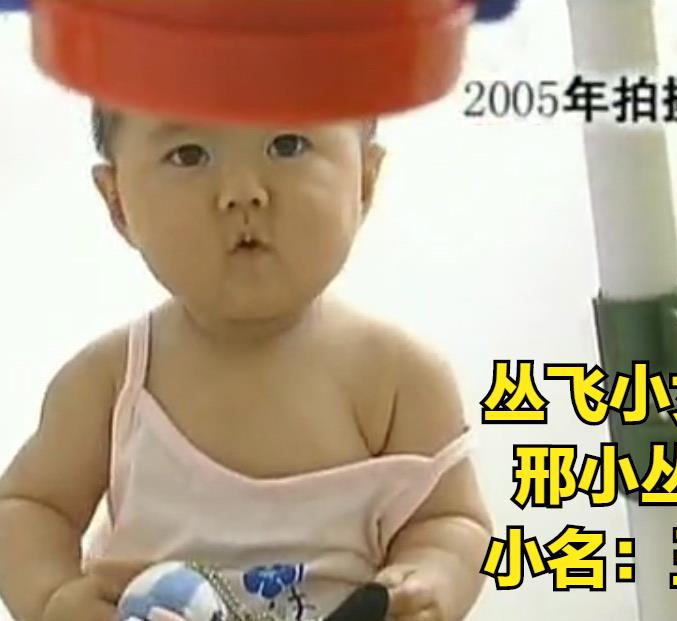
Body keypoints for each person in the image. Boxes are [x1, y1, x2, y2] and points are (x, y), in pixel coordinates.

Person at [0, 105, 491, 621]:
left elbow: (452, 522)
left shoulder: (399, 380)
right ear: (117, 200)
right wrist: (53, 597)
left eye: (287, 145)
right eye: (189, 154)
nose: (242, 192)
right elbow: (27, 509)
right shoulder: (112, 383)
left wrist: (429, 578)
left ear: (364, 181)